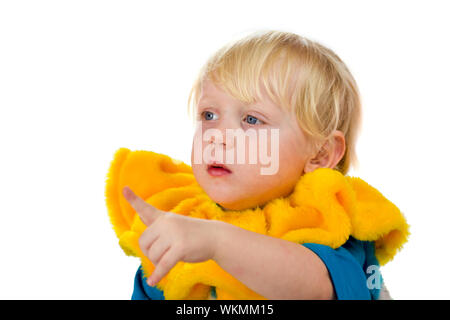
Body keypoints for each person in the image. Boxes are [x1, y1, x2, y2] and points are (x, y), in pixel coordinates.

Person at [108, 30, 408, 300]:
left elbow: (315, 290)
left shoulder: (325, 222)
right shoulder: (184, 221)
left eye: (252, 120)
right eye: (209, 116)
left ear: (320, 154)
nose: (218, 137)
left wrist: (215, 241)